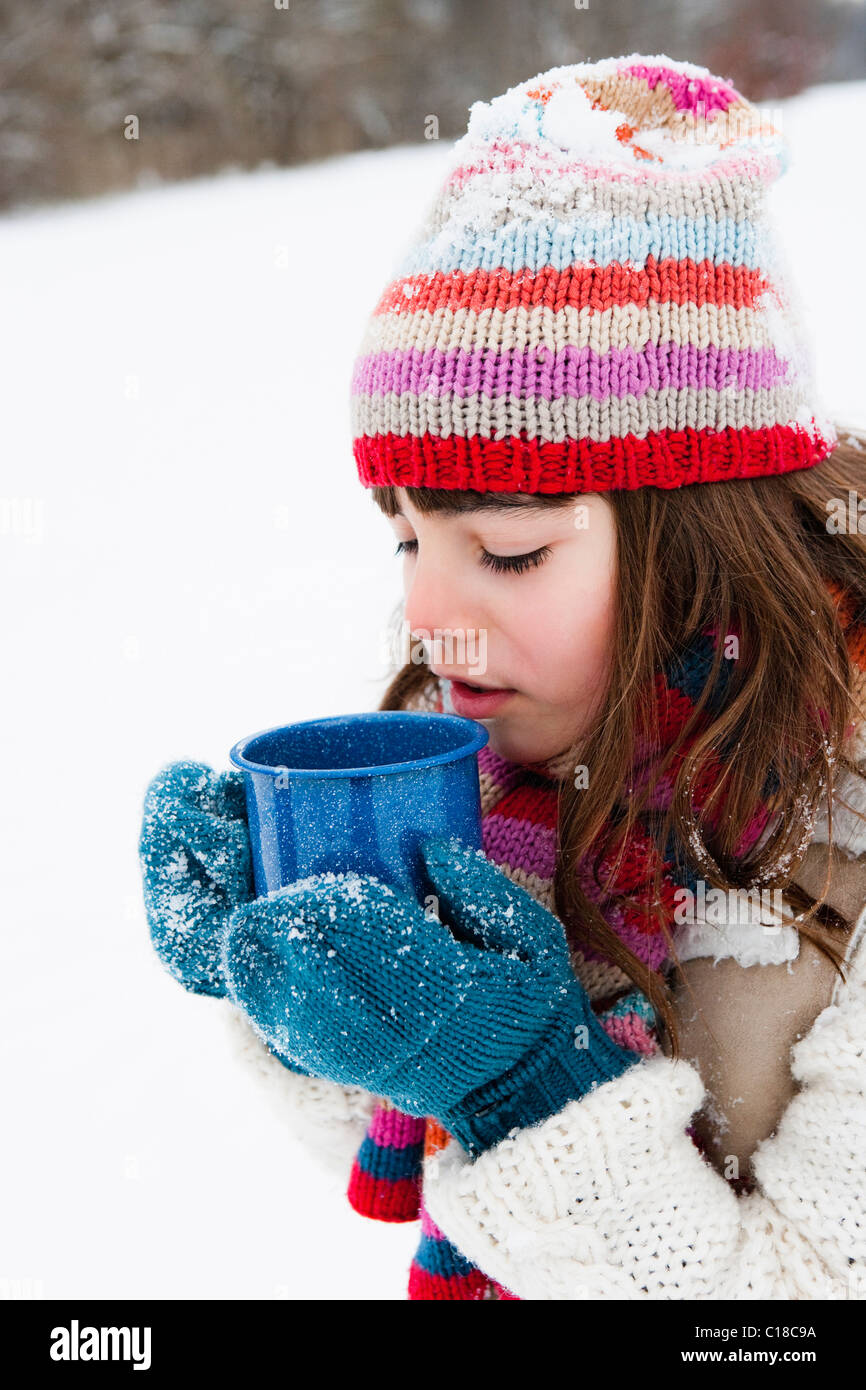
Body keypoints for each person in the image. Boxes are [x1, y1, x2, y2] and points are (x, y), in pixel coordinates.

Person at [139, 54, 866, 1300]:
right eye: (408, 537)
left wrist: (523, 1085)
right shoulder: (499, 760)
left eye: (509, 547)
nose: (426, 614)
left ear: (699, 543)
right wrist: (302, 986)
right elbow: (424, 1166)